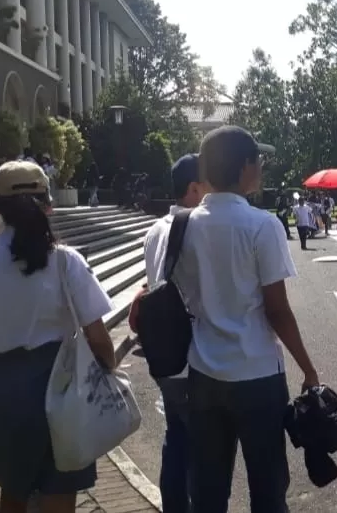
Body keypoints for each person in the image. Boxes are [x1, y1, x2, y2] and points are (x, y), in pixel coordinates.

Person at [0, 161, 117, 513]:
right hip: (62, 390)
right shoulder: (66, 260)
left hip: (3, 388)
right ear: (48, 202)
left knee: (12, 492)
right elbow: (99, 337)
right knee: (59, 495)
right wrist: (108, 372)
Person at [177, 126, 321, 513]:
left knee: (208, 491)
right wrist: (308, 368)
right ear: (244, 167)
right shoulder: (261, 225)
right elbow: (277, 310)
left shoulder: (182, 226)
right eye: (259, 162)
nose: (261, 169)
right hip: (256, 374)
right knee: (268, 489)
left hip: (203, 371)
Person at [129, 153, 205, 513]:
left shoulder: (155, 229)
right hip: (192, 352)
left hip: (163, 353)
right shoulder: (198, 227)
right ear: (194, 188)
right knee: (200, 446)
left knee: (176, 436)